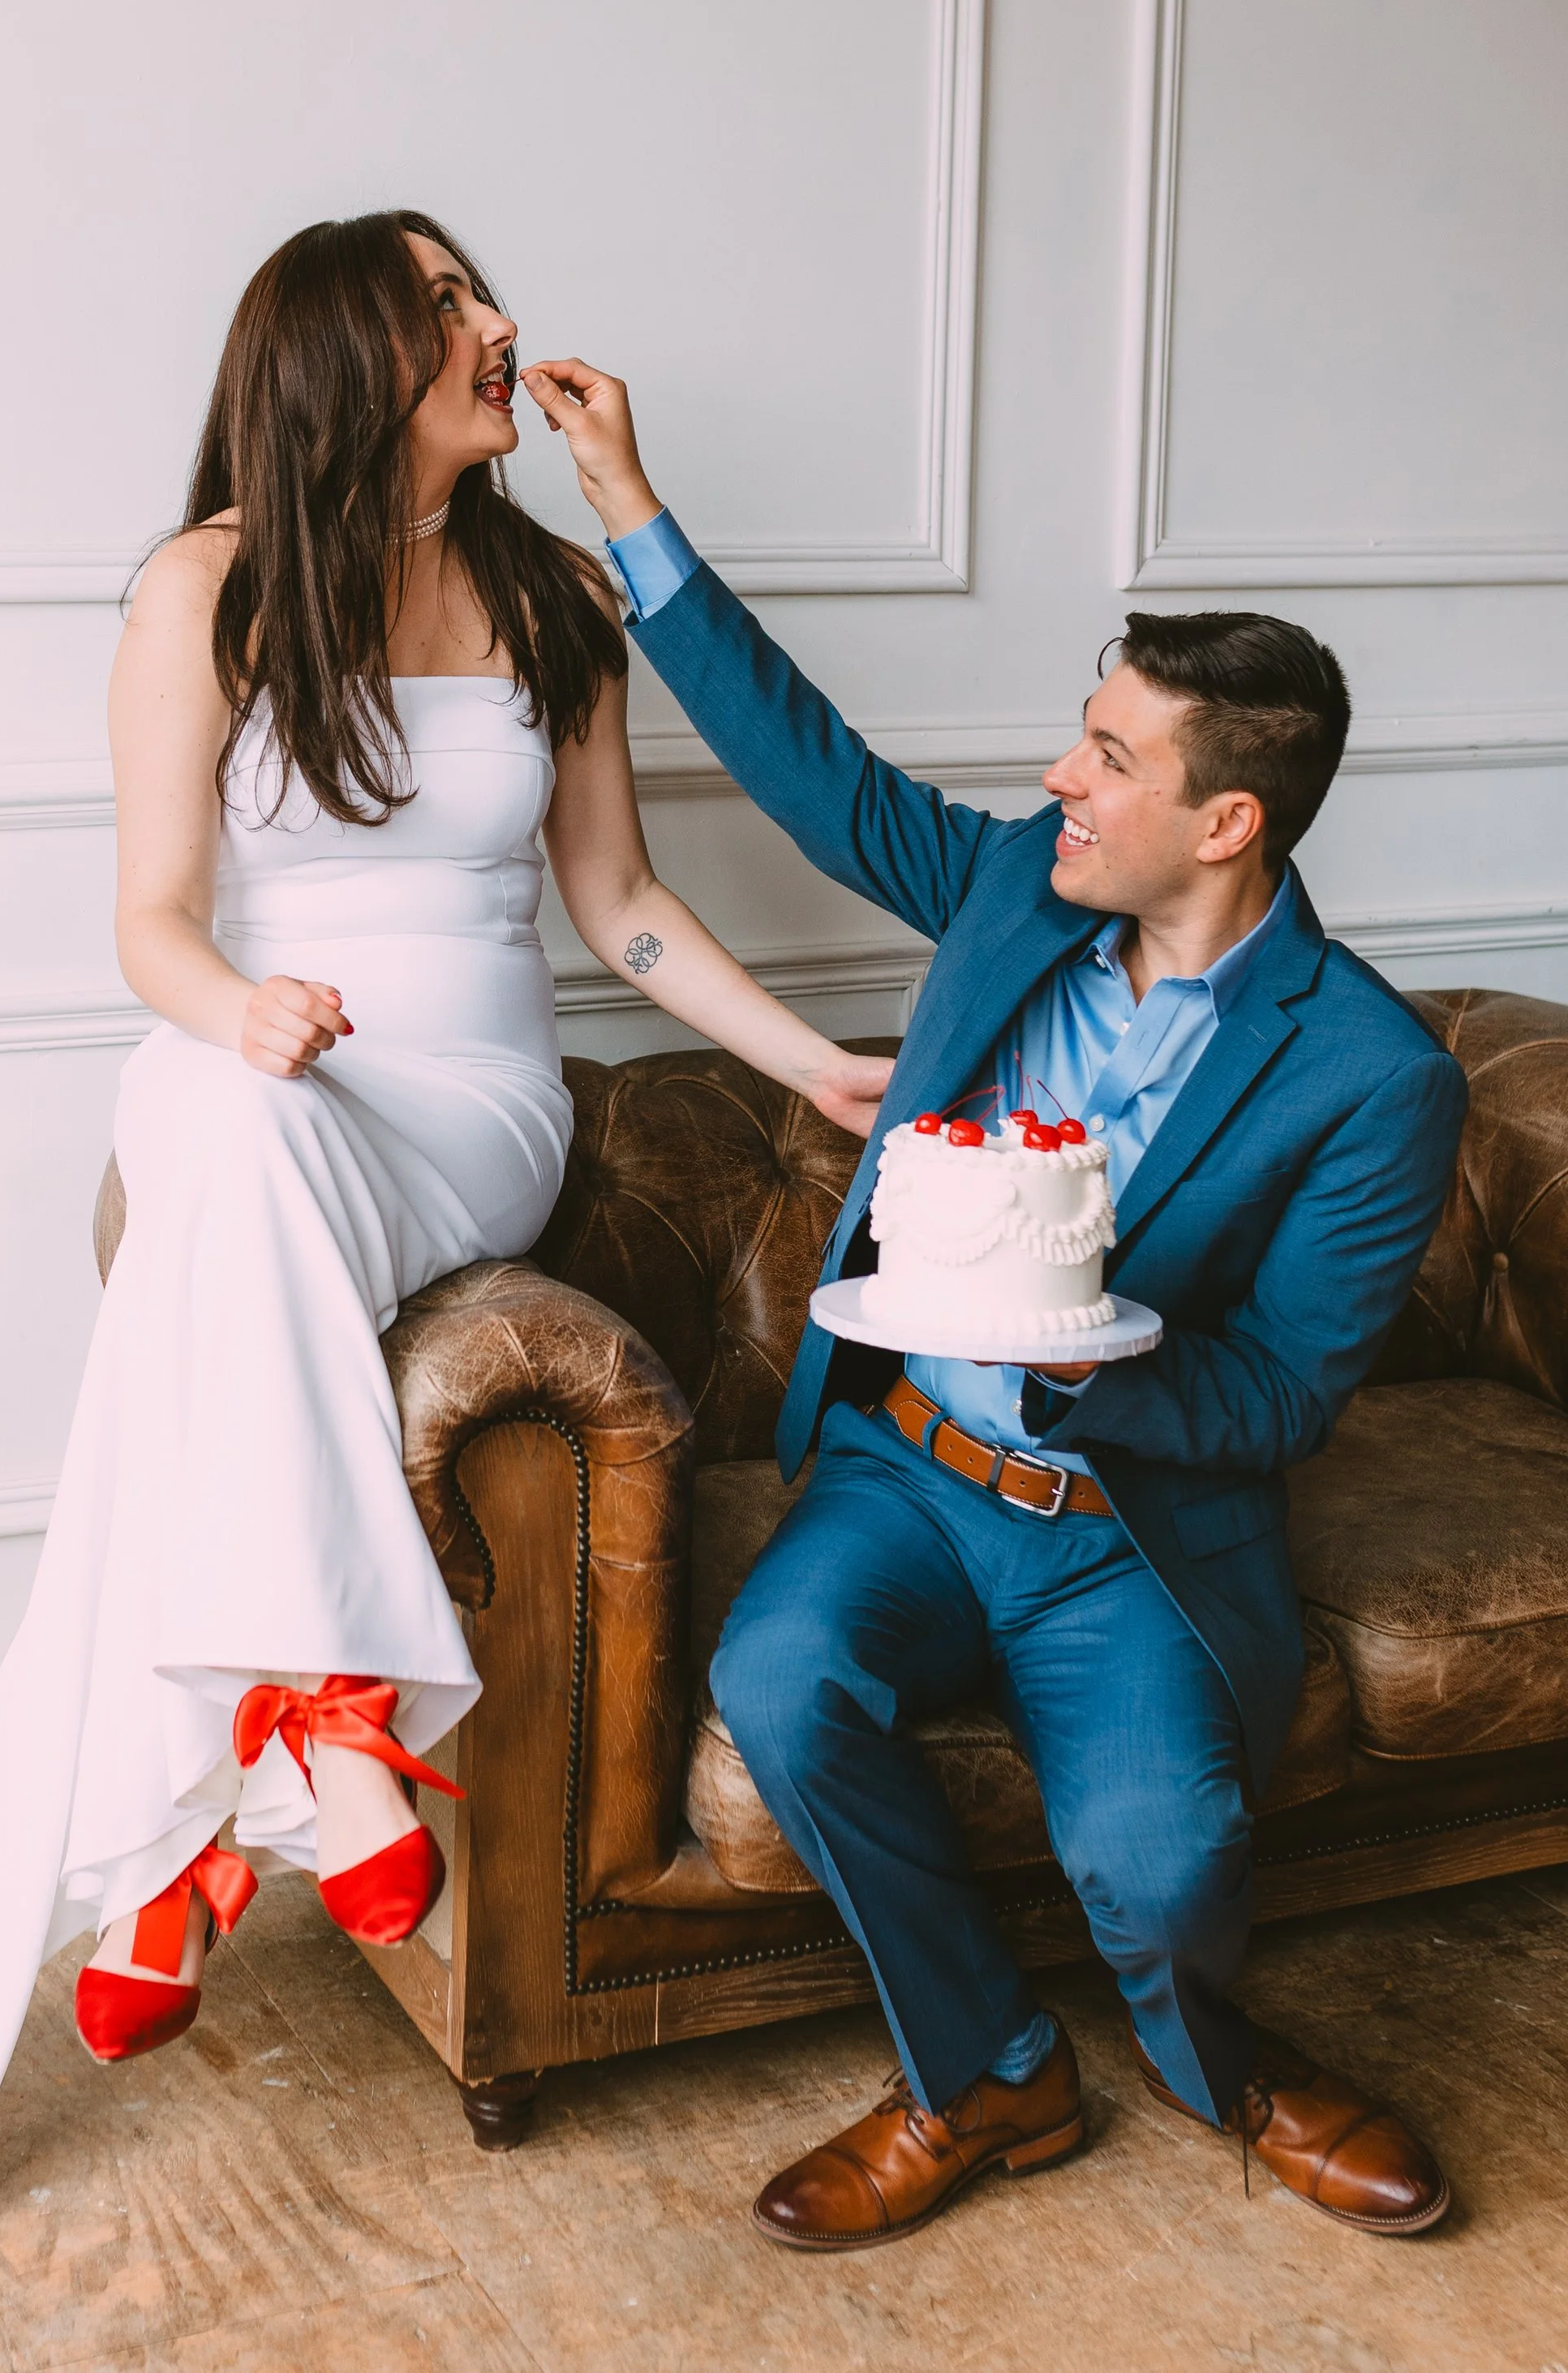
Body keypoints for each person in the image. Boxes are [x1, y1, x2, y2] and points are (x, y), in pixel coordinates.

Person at [0, 217, 891, 2373]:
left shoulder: (553, 595)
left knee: (213, 1144)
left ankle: (204, 1800)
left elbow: (618, 902)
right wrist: (242, 1010)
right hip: (264, 1070)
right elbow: (151, 919)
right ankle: (314, 1718)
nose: (499, 327)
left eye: (484, 294)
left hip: (468, 1114)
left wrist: (806, 1058)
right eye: (446, 305)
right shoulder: (205, 587)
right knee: (209, 1112)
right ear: (346, 354)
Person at [520, 350, 1466, 2246]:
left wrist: (1087, 1373)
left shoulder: (1370, 1075)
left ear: (1224, 822)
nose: (1058, 777)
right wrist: (624, 496)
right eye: (1076, 737)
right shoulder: (1019, 890)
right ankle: (984, 2077)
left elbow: (1282, 1391)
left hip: (1125, 1524)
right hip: (902, 1475)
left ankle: (1226, 2070)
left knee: (1163, 1860)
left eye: (1107, 758)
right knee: (780, 1685)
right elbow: (820, 779)